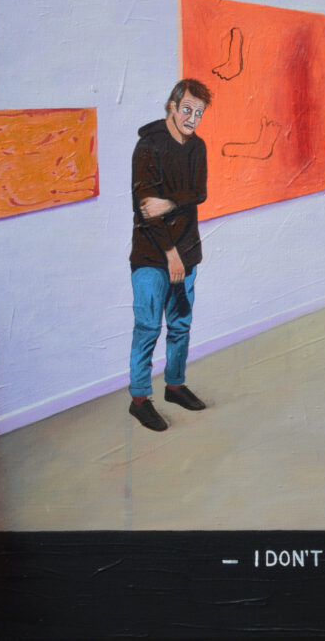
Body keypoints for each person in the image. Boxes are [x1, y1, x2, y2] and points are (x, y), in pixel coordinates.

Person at [128, 78, 213, 431]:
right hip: (151, 257)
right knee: (148, 327)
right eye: (187, 110)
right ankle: (139, 399)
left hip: (188, 251)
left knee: (180, 325)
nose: (192, 118)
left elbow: (200, 193)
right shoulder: (148, 147)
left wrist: (170, 201)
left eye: (199, 113)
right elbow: (147, 210)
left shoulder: (198, 147)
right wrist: (171, 255)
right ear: (172, 106)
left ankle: (175, 386)